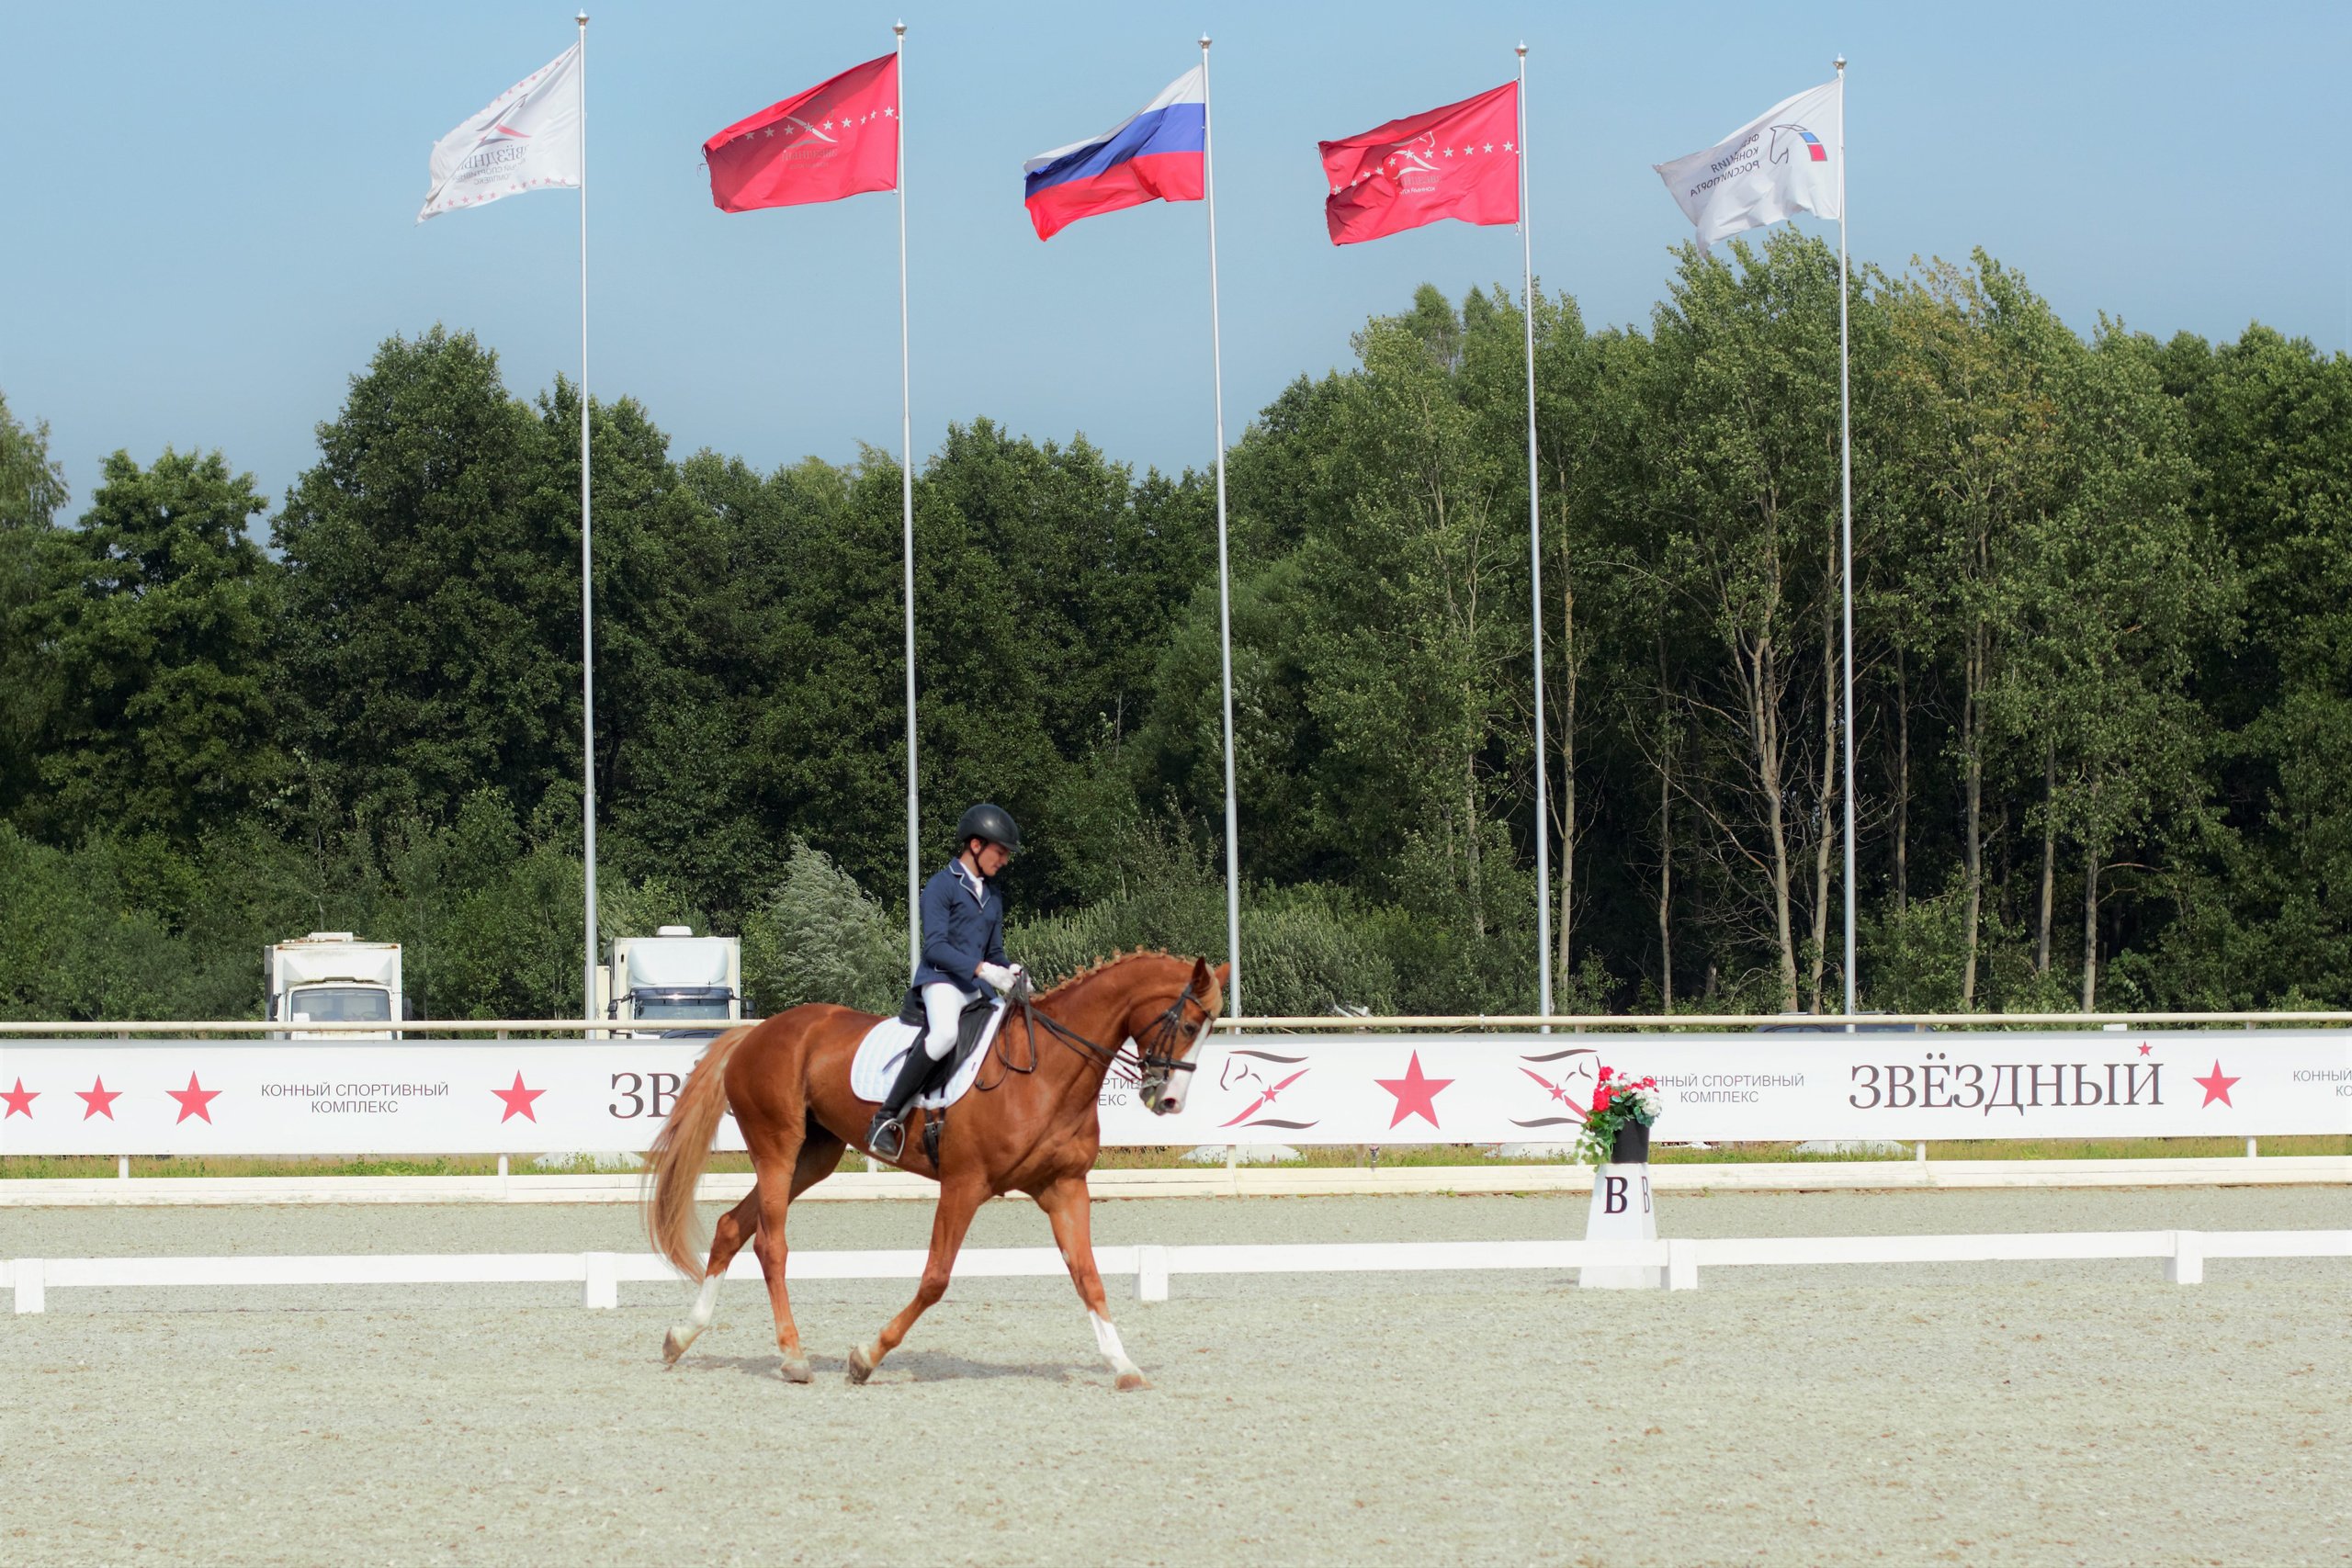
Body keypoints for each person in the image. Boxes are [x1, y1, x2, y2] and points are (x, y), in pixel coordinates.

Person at [867, 803, 1024, 1158]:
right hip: (942, 981)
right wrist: (982, 970)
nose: (1004, 861)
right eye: (1001, 852)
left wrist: (1011, 970)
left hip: (976, 988)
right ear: (976, 845)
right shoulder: (941, 886)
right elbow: (935, 947)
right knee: (944, 1035)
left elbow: (995, 951)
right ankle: (885, 1118)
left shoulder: (993, 895)